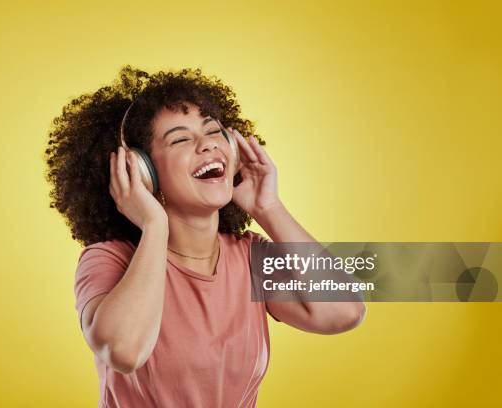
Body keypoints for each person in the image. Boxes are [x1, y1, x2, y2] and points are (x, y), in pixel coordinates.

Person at [44, 65, 366, 407]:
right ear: (142, 172)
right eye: (180, 139)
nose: (207, 146)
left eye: (213, 132)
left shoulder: (249, 258)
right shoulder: (109, 259)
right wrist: (154, 225)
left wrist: (268, 208)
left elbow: (343, 312)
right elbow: (123, 351)